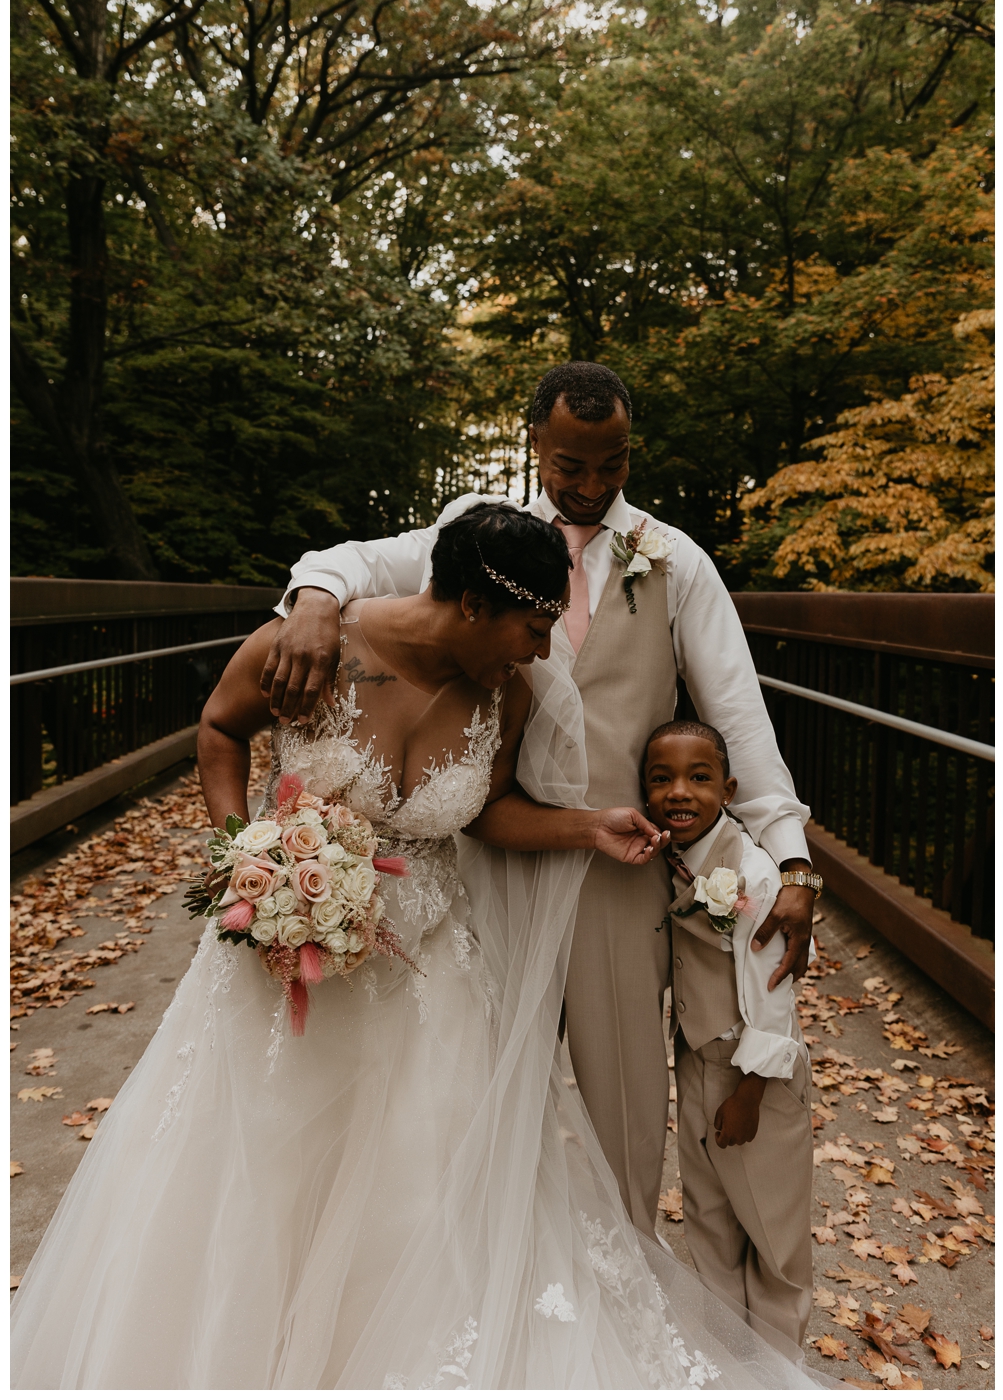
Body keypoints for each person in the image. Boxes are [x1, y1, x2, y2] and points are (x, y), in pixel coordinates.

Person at [10, 504, 818, 1387]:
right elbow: (218, 728)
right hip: (278, 969)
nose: (544, 651)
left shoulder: (503, 693)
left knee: (425, 1194)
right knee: (259, 1178)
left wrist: (589, 827)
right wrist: (246, 857)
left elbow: (493, 810)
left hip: (428, 971)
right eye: (535, 625)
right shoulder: (322, 644)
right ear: (474, 604)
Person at [259, 361, 824, 1231]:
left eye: (613, 462)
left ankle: (626, 1277)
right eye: (570, 465)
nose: (591, 485)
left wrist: (791, 860)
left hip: (620, 873)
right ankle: (493, 1272)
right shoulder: (477, 535)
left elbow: (740, 722)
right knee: (480, 1084)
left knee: (625, 1101)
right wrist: (314, 598)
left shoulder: (679, 564)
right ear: (535, 446)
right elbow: (362, 561)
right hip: (493, 857)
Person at [647, 720, 816, 1350]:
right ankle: (726, 1359)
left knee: (773, 1231)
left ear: (729, 786)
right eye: (660, 779)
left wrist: (748, 1090)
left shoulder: (754, 873)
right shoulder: (669, 855)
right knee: (710, 1216)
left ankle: (777, 1367)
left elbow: (772, 995)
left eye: (699, 777)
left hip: (756, 1079)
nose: (678, 793)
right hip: (696, 1057)